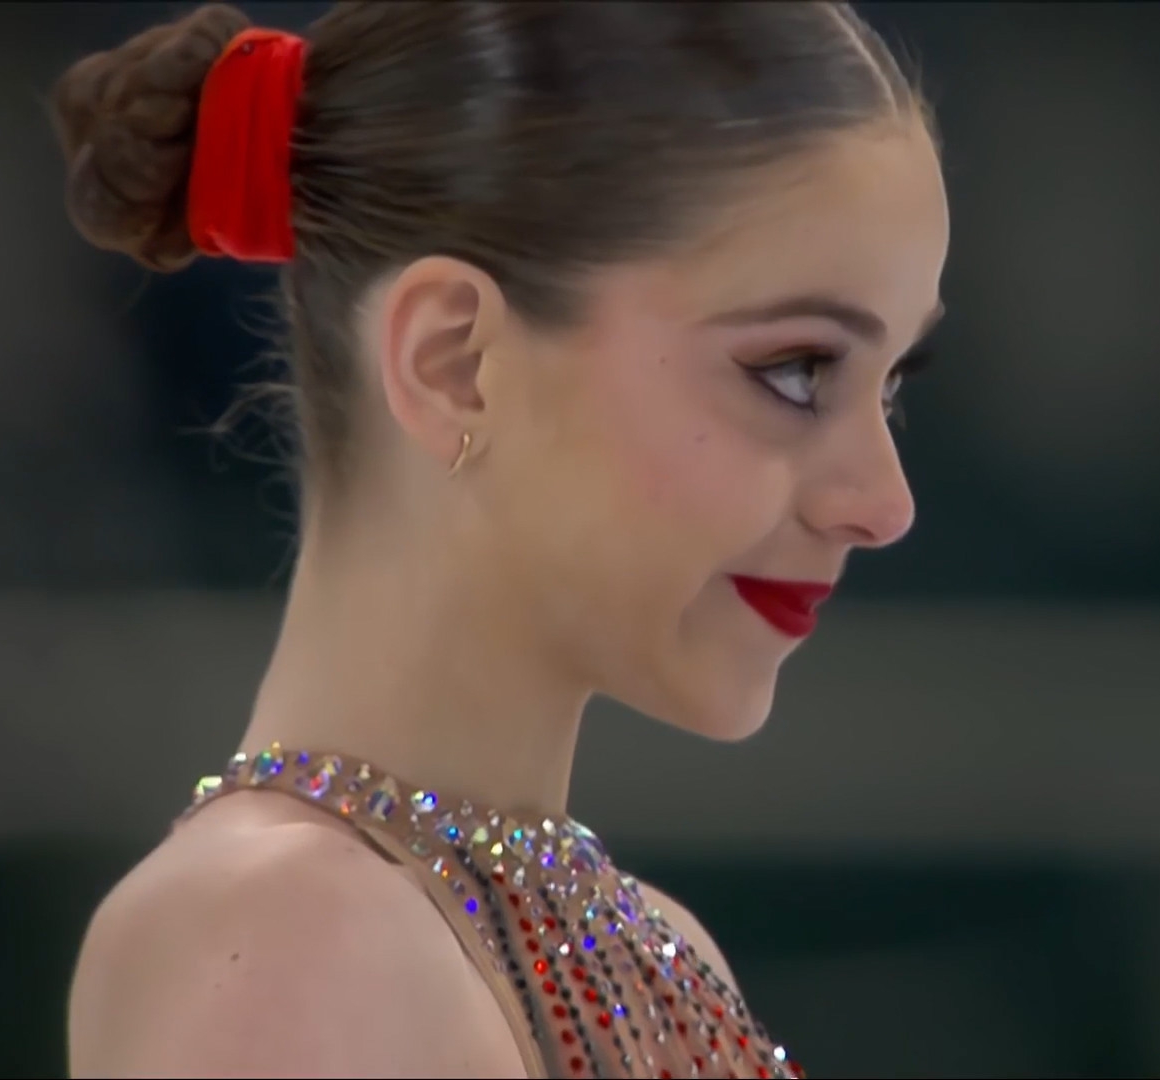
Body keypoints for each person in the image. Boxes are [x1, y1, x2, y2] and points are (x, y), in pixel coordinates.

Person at [53, 3, 947, 1077]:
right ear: (455, 363)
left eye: (890, 389)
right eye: (797, 372)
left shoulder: (656, 953)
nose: (883, 503)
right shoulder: (289, 937)